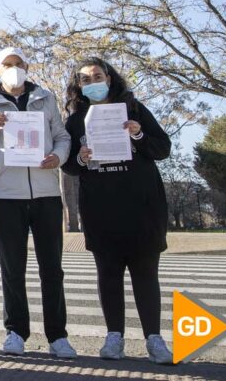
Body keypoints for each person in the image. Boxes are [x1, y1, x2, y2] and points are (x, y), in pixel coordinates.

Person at [61, 57, 172, 364]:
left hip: (143, 207)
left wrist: (138, 134)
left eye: (98, 75)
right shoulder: (74, 120)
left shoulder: (134, 109)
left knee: (145, 274)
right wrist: (81, 157)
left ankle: (154, 339)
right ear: (79, 86)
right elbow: (69, 166)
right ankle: (114, 338)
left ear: (109, 78)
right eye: (85, 79)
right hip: (101, 209)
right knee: (108, 275)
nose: (93, 82)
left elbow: (163, 148)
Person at [0, 47, 76, 358]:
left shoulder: (45, 98)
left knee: (52, 269)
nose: (14, 69)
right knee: (12, 269)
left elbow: (63, 137)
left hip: (46, 194)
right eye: (7, 65)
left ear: (27, 67)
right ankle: (15, 331)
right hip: (7, 196)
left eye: (18, 64)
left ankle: (58, 336)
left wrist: (59, 156)